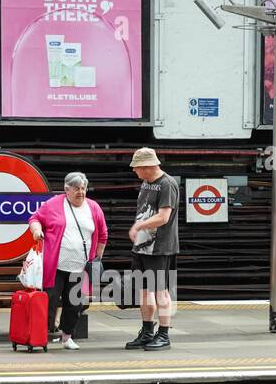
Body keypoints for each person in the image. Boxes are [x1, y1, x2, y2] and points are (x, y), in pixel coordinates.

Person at [29, 172, 108, 350]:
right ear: (66, 189)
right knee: (48, 301)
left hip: (80, 268)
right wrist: (36, 230)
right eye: (76, 189)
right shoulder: (53, 204)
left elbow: (102, 234)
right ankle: (38, 337)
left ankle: (67, 337)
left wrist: (97, 258)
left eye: (83, 188)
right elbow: (35, 218)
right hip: (55, 266)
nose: (80, 192)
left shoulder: (93, 208)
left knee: (74, 304)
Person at [125, 148, 179, 351]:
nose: (135, 172)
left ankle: (164, 334)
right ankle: (147, 331)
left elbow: (164, 217)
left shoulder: (167, 184)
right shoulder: (146, 183)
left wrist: (138, 226)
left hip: (160, 248)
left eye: (137, 168)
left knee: (160, 291)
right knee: (144, 291)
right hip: (141, 247)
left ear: (147, 166)